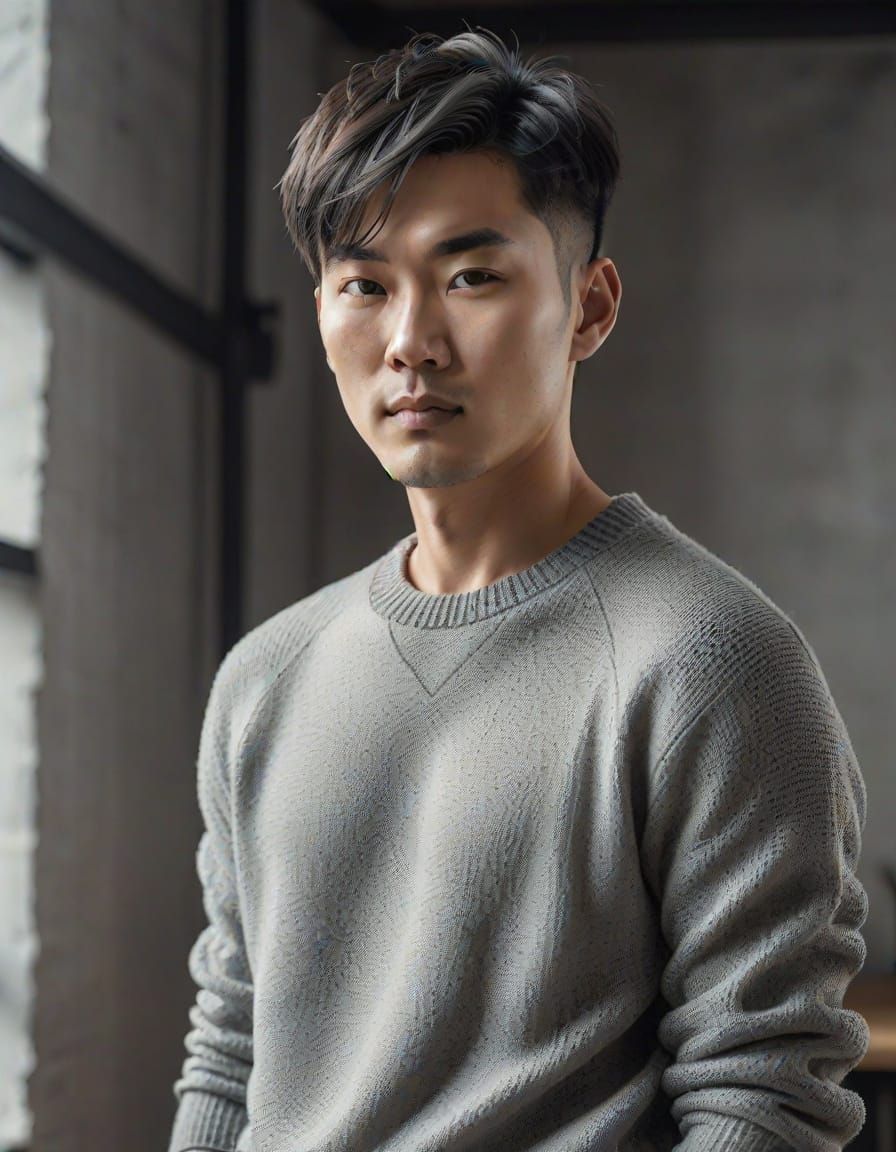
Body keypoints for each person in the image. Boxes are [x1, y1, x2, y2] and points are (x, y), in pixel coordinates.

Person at [167, 26, 870, 1152]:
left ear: (587, 308)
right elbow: (233, 1049)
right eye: (362, 284)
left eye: (470, 276)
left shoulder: (713, 661)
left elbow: (762, 1094)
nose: (409, 342)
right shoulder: (264, 679)